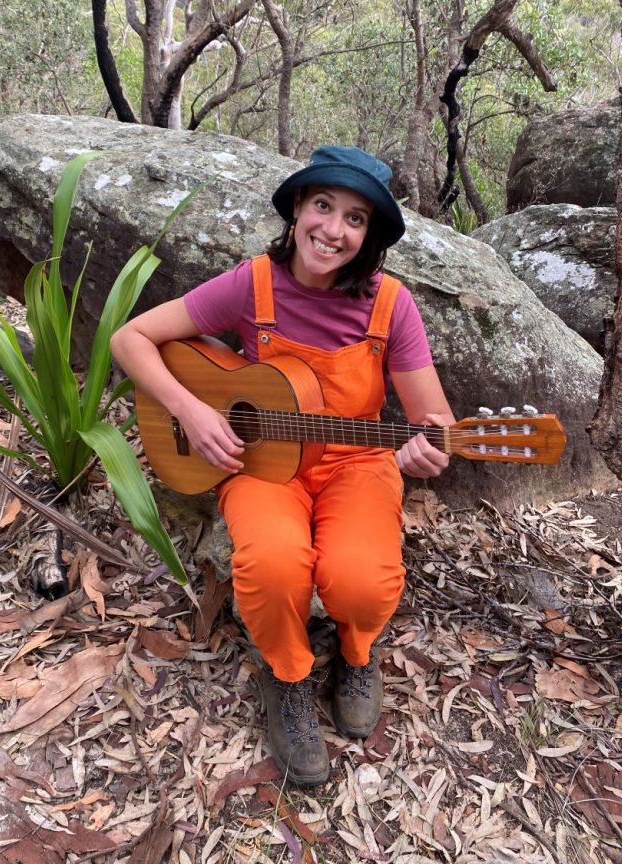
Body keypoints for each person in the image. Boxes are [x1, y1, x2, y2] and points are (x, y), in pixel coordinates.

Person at [110, 145, 454, 786]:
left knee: (359, 581)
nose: (333, 229)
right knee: (270, 566)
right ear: (297, 208)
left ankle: (356, 653)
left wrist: (428, 451)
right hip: (264, 464)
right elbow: (128, 338)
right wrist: (190, 410)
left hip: (356, 462)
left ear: (370, 234)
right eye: (323, 205)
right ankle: (289, 676)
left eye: (356, 218)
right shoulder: (252, 284)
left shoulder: (390, 306)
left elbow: (434, 424)